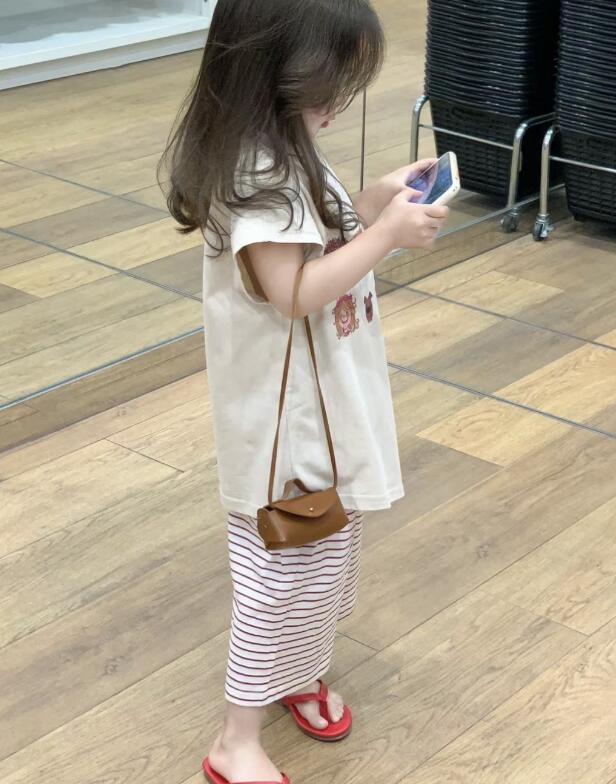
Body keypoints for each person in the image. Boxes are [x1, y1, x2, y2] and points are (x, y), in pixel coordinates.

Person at [161, 1, 449, 782]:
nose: (338, 102)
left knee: (326, 560)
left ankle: (297, 673)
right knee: (281, 574)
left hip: (324, 410)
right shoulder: (255, 172)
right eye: (327, 84)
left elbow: (312, 240)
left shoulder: (284, 145)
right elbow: (291, 291)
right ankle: (235, 741)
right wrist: (384, 237)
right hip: (287, 432)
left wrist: (371, 204)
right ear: (272, 73)